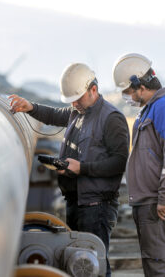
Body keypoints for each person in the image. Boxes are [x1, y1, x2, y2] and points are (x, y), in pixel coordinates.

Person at [9, 63, 129, 277]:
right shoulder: (78, 111)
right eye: (71, 100)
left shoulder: (112, 119)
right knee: (79, 263)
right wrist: (31, 107)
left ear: (93, 89)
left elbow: (119, 163)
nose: (74, 103)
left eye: (78, 98)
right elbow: (55, 115)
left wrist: (81, 168)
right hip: (77, 202)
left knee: (93, 265)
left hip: (96, 207)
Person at [112, 53, 165, 277]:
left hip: (162, 205)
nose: (127, 97)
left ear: (139, 84)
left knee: (162, 269)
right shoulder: (150, 109)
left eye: (128, 91)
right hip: (150, 202)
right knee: (156, 267)